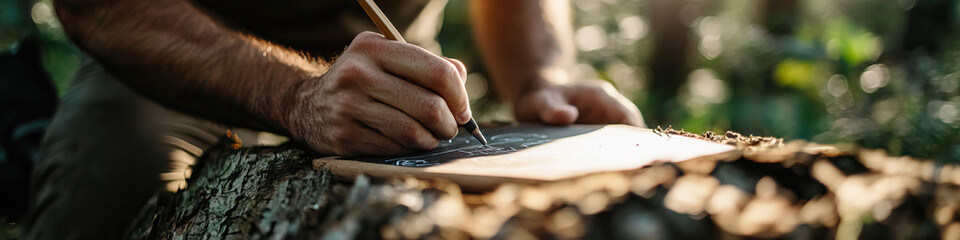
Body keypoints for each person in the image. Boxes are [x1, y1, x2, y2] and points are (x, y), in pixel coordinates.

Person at [26, 0, 644, 238]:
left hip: (401, 74)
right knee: (104, 173)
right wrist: (296, 96)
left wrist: (545, 74)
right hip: (175, 58)